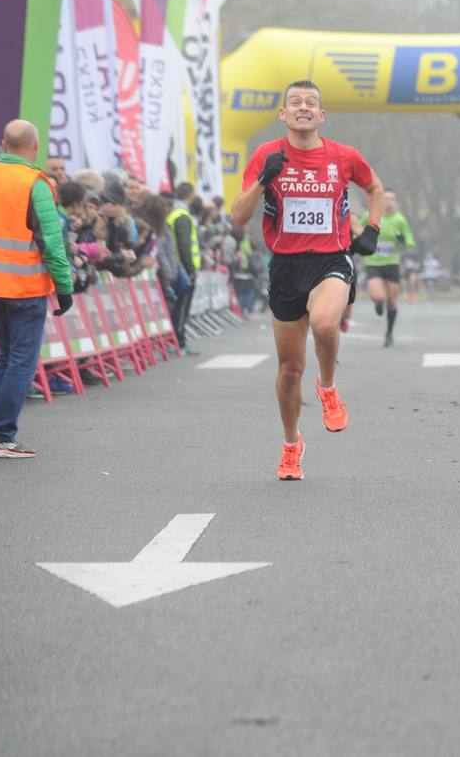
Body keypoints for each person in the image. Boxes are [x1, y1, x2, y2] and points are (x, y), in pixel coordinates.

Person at [230, 80, 384, 481]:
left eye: (311, 103)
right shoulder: (266, 155)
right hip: (285, 266)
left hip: (332, 258)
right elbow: (238, 217)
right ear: (283, 114)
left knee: (325, 322)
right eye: (295, 102)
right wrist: (264, 180)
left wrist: (373, 226)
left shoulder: (343, 156)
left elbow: (374, 187)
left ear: (321, 115)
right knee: (289, 370)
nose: (303, 107)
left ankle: (329, 386)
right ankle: (291, 444)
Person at [0, 120, 73, 459]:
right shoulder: (36, 183)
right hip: (26, 285)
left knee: (6, 357)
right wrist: (64, 286)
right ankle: (0, 434)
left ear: (2, 144)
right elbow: (52, 242)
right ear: (35, 147)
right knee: (21, 361)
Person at [363, 188, 415, 347]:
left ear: (396, 202)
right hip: (373, 263)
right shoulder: (369, 215)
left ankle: (389, 332)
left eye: (392, 199)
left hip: (392, 263)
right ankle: (378, 304)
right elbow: (355, 230)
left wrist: (403, 240)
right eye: (385, 198)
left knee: (392, 301)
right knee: (379, 296)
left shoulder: (400, 220)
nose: (388, 202)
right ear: (380, 200)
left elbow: (410, 242)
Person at [166, 181, 202, 355]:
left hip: (176, 266)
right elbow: (184, 245)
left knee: (179, 308)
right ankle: (179, 343)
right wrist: (190, 268)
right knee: (181, 309)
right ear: (191, 196)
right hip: (182, 269)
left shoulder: (174, 213)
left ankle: (177, 342)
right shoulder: (182, 215)